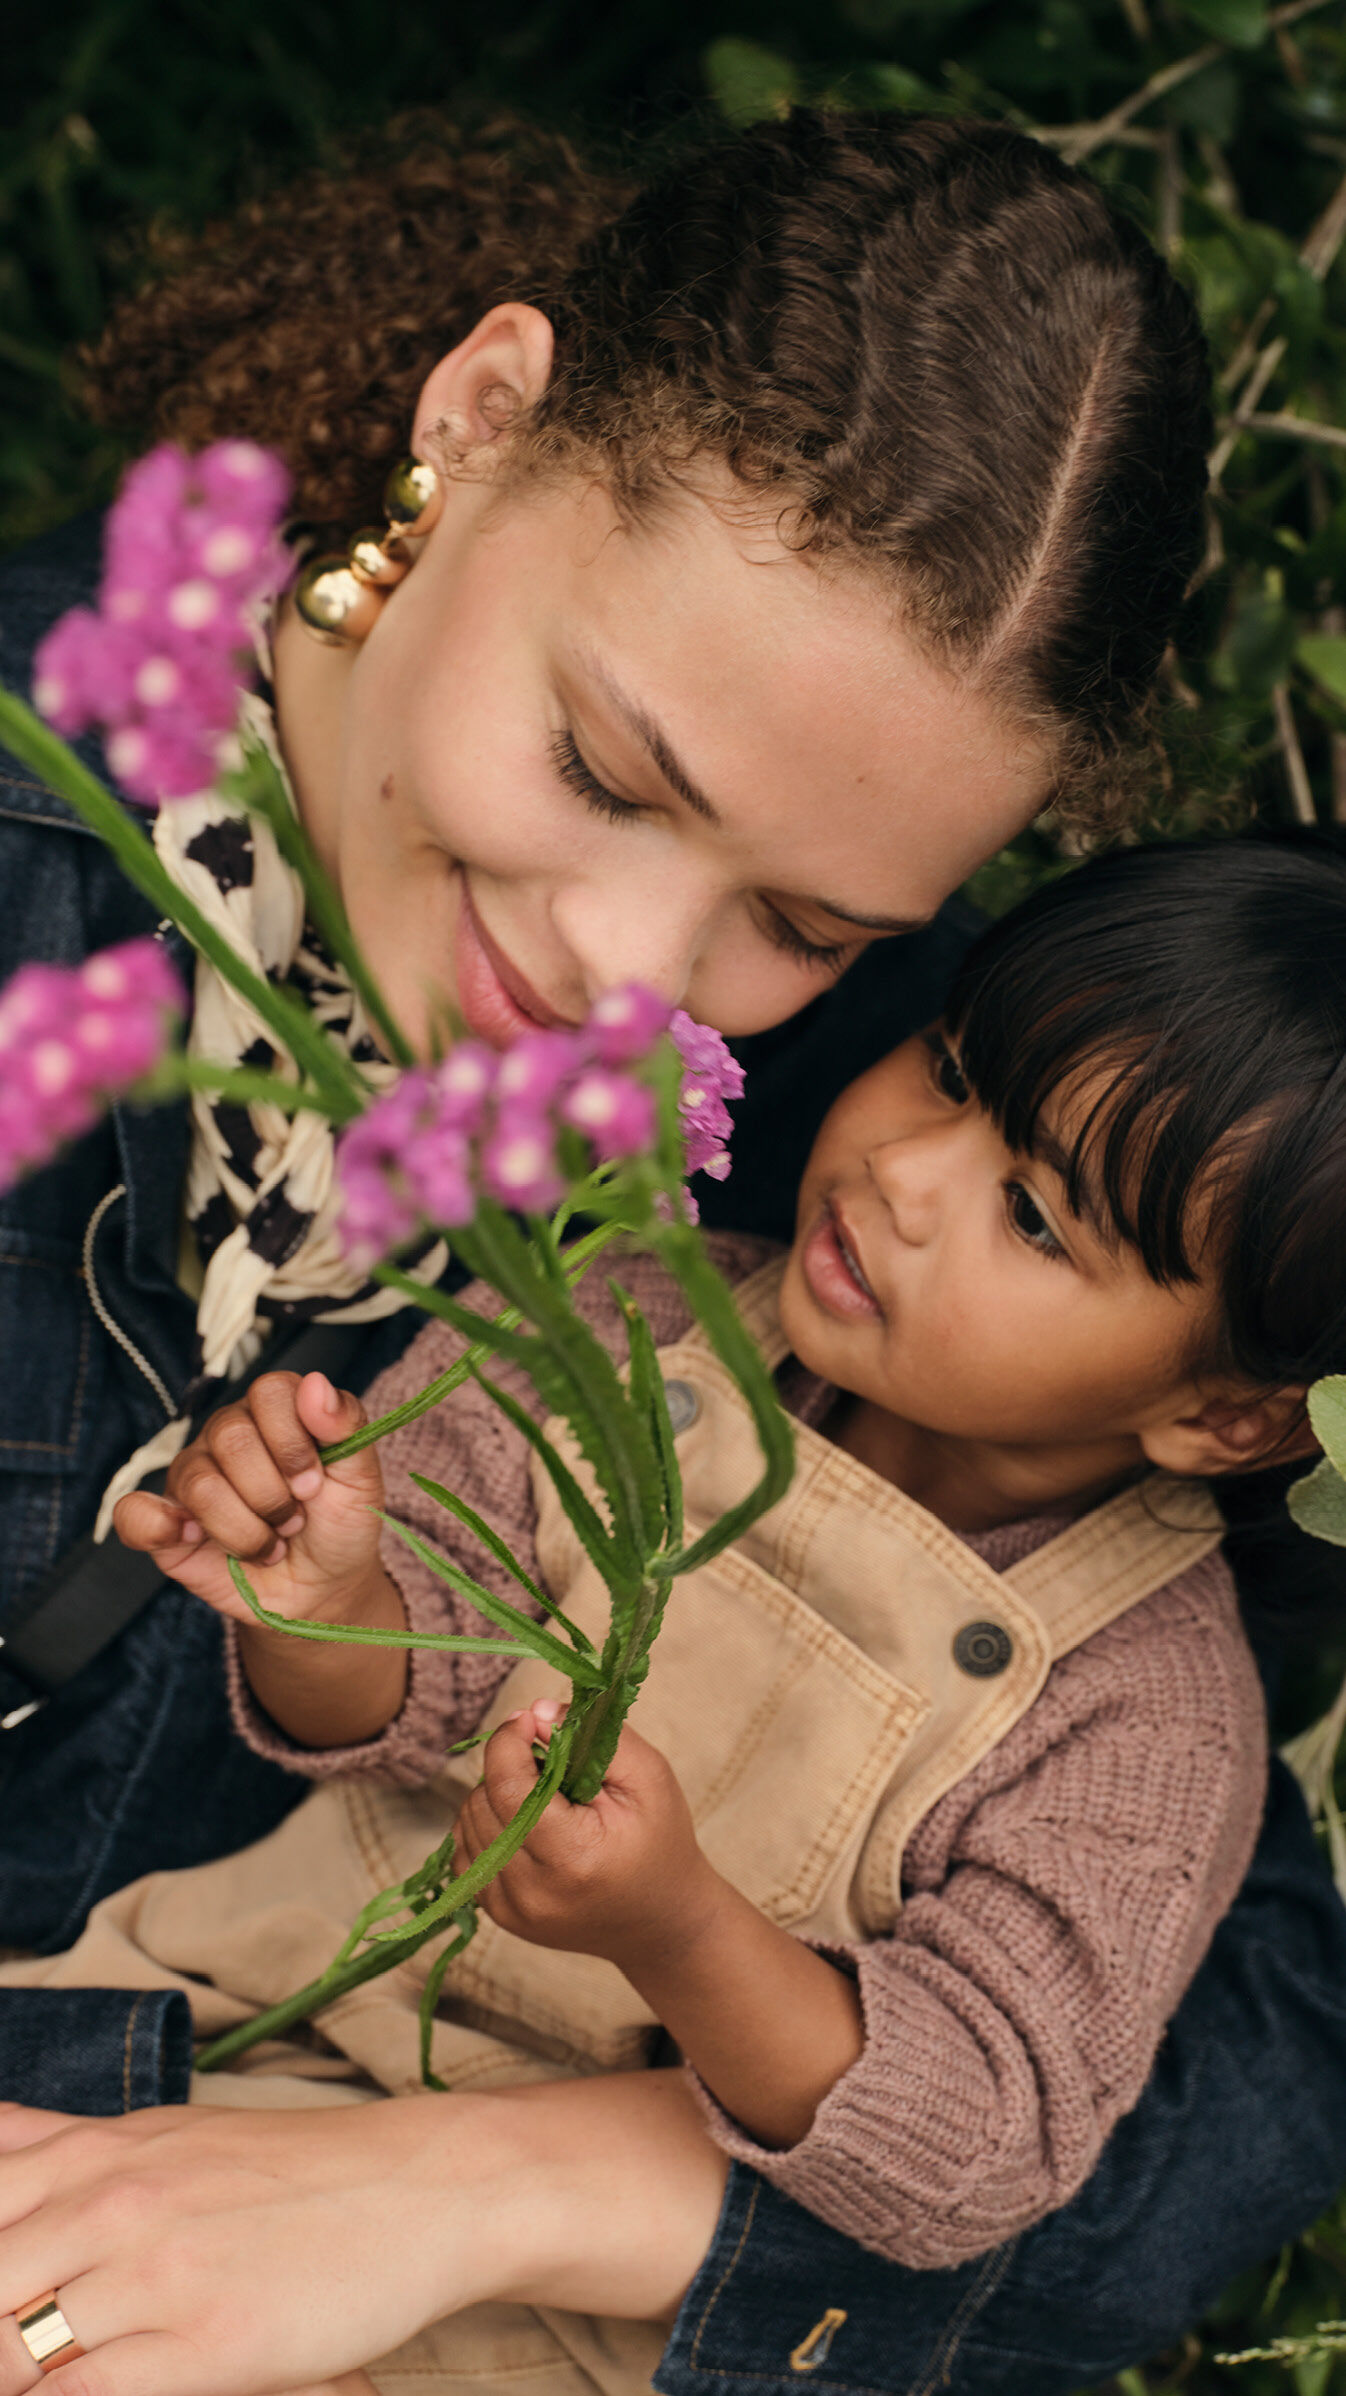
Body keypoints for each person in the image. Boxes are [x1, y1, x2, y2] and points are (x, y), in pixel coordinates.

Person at [0, 101, 1339, 2396]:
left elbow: (1240, 2049)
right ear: (480, 419)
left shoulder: (889, 1126)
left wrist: (521, 2180)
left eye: (804, 922)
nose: (630, 975)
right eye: (610, 772)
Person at [4, 830, 1342, 2396]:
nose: (904, 1175)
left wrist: (678, 1928)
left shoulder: (1148, 1712)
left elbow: (967, 2146)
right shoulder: (626, 1310)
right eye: (951, 1073)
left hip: (559, 2315)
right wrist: (328, 1600)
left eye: (1034, 1219)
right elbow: (375, 1711)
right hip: (206, 2017)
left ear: (1229, 1418)